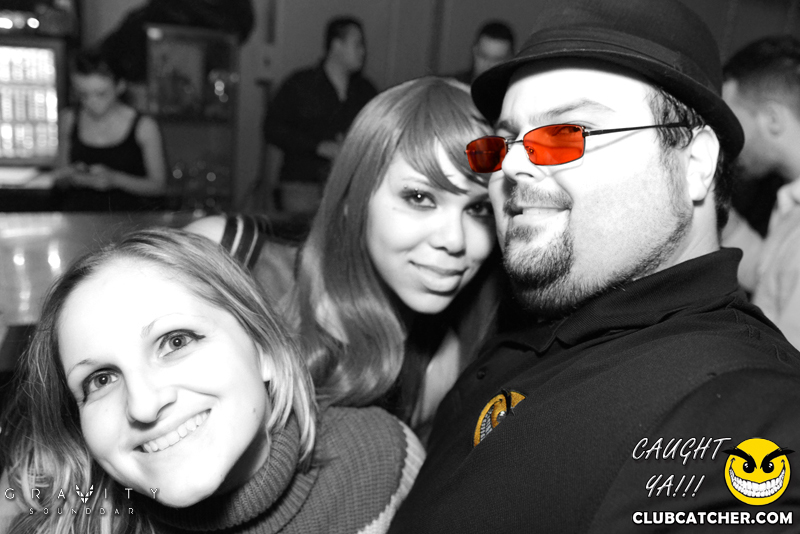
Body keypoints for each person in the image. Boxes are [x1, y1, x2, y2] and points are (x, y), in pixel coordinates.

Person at [388, 1, 800, 532]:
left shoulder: (746, 414)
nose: (513, 164)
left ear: (695, 164)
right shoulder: (531, 310)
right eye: (506, 141)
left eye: (570, 133)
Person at [0, 228, 423, 534]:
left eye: (176, 341)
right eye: (101, 379)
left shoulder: (380, 459)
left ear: (264, 349)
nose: (144, 405)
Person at [187, 77, 502, 443]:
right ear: (354, 198)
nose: (454, 240)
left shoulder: (437, 366)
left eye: (479, 208)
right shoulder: (226, 257)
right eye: (420, 198)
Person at [721, 36, 800, 348]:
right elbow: (771, 276)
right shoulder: (792, 203)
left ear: (772, 119)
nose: (725, 136)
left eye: (731, 119)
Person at [263, 16, 377, 214]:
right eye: (357, 44)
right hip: (302, 185)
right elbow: (272, 128)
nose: (363, 51)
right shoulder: (300, 85)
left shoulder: (365, 91)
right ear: (336, 45)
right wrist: (318, 146)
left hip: (349, 188)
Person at [53, 49, 167, 211]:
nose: (91, 102)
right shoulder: (69, 119)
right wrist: (73, 175)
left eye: (101, 94)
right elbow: (59, 178)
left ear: (120, 86)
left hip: (128, 218)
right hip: (78, 216)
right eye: (83, 94)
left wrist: (115, 179)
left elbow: (159, 186)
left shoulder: (144, 126)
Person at [453, 20, 515, 85]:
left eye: (497, 60)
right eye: (483, 56)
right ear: (474, 51)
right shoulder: (453, 87)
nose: (489, 66)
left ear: (510, 60)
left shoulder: (516, 90)